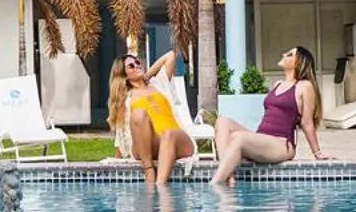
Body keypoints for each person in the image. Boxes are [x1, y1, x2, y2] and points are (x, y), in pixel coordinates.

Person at [211, 45, 330, 185]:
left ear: (299, 62)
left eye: (290, 54)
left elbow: (307, 123)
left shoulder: (304, 86)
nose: (284, 54)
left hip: (282, 144)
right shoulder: (278, 84)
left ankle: (215, 184)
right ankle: (228, 176)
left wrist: (317, 153)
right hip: (263, 139)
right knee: (222, 122)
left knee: (238, 138)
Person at [107, 49, 195, 189]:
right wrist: (118, 158)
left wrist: (148, 74)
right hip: (147, 146)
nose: (137, 65)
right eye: (131, 66)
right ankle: (149, 171)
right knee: (138, 114)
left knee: (168, 133)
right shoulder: (125, 99)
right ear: (124, 75)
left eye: (137, 62)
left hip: (176, 139)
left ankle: (158, 188)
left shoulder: (159, 84)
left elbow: (170, 56)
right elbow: (121, 133)